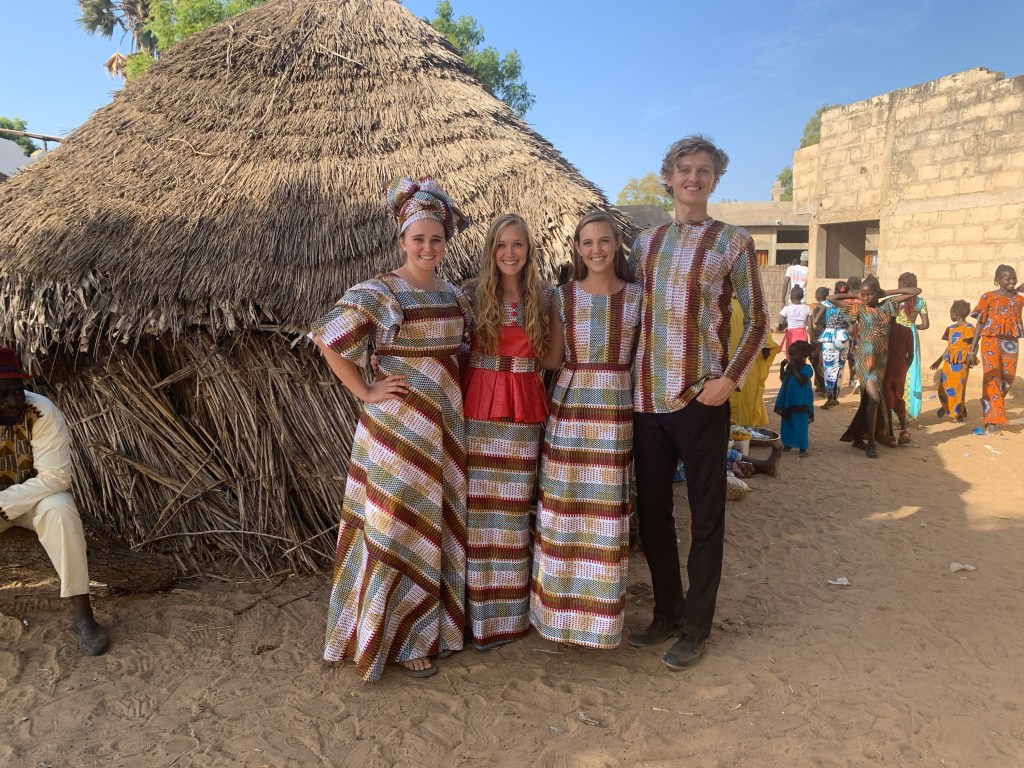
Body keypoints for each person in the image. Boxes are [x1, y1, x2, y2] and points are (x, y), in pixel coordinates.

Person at [313, 176, 471, 680]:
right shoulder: (378, 292)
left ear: (445, 242)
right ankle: (397, 641)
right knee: (395, 525)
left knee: (431, 525)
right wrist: (365, 391)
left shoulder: (454, 294)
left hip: (443, 429)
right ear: (402, 239)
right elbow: (327, 339)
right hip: (396, 431)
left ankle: (430, 630)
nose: (427, 247)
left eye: (435, 239)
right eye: (418, 238)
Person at [629, 134, 769, 671]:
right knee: (654, 513)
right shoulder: (645, 243)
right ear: (668, 177)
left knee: (707, 514)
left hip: (701, 398)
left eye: (703, 170)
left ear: (715, 179)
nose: (693, 178)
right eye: (684, 169)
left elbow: (758, 319)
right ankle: (667, 611)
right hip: (646, 398)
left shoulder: (733, 241)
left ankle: (696, 626)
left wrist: (729, 381)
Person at [530, 211, 641, 649]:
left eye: (603, 241)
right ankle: (557, 617)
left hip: (616, 414)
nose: (596, 250)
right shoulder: (563, 297)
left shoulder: (638, 297)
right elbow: (553, 359)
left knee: (605, 516)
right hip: (571, 410)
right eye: (587, 243)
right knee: (564, 509)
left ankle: (598, 623)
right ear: (578, 249)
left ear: (617, 244)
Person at [461, 214, 550, 649]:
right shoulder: (469, 294)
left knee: (514, 514)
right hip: (479, 403)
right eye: (501, 245)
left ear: (528, 250)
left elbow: (555, 357)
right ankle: (474, 618)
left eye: (517, 245)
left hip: (524, 406)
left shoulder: (545, 296)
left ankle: (508, 619)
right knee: (478, 513)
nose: (509, 253)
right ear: (490, 250)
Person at [0, 349, 110, 655]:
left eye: (17, 390)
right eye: (3, 393)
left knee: (60, 509)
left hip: (34, 498)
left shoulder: (41, 411)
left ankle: (83, 616)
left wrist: (4, 503)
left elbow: (56, 477)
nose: (15, 400)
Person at [830, 276, 921, 458]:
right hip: (864, 361)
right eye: (863, 295)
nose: (865, 298)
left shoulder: (888, 306)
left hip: (881, 362)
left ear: (877, 293)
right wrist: (855, 295)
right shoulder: (859, 309)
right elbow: (831, 298)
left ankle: (858, 437)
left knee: (868, 401)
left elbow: (916, 291)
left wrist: (886, 292)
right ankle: (871, 442)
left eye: (869, 294)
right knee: (874, 399)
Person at [967, 264, 1024, 435]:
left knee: (1008, 379)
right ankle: (991, 421)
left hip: (1011, 343)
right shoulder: (988, 297)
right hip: (990, 341)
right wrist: (972, 350)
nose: (1012, 281)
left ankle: (989, 402)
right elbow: (980, 323)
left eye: (1014, 278)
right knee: (992, 378)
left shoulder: (1019, 298)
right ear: (997, 280)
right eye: (1008, 278)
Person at [728, 297, 779, 427]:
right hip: (747, 363)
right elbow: (767, 343)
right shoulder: (753, 305)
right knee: (746, 394)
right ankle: (743, 428)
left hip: (722, 364)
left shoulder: (718, 302)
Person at [930, 300, 975, 423]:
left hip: (961, 363)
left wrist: (972, 356)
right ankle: (947, 407)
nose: (950, 315)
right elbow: (949, 347)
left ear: (956, 313)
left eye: (950, 312)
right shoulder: (950, 328)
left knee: (958, 389)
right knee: (943, 389)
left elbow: (974, 344)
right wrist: (938, 360)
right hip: (948, 363)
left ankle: (957, 415)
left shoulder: (969, 328)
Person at [894, 272, 929, 422]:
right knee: (912, 372)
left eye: (899, 284)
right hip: (912, 337)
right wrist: (913, 327)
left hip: (896, 337)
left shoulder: (895, 301)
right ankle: (911, 413)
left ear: (903, 286)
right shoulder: (920, 302)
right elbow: (925, 325)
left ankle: (894, 414)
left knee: (895, 372)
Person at [774, 340, 814, 457]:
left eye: (793, 355)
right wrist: (782, 367)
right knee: (787, 422)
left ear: (804, 356)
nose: (790, 357)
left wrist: (794, 369)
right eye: (789, 354)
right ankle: (787, 444)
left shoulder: (807, 368)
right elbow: (784, 379)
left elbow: (802, 381)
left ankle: (803, 448)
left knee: (800, 424)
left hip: (800, 401)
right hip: (788, 400)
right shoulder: (791, 366)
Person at [818, 281, 851, 408]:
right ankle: (835, 397)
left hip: (828, 337)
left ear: (835, 290)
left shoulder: (826, 304)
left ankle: (830, 397)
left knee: (829, 367)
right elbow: (851, 323)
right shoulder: (848, 305)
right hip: (842, 337)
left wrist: (827, 325)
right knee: (840, 367)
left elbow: (816, 320)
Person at [883, 318, 914, 445]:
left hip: (885, 370)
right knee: (899, 398)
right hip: (900, 370)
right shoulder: (907, 331)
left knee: (887, 401)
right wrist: (904, 368)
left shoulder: (882, 331)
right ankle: (904, 430)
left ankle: (890, 435)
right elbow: (911, 355)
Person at [778, 286, 812, 366]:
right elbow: (810, 327)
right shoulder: (807, 308)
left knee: (791, 356)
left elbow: (781, 325)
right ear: (802, 297)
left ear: (790, 297)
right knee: (802, 356)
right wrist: (812, 341)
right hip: (803, 334)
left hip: (791, 335)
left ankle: (792, 372)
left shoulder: (787, 308)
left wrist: (783, 326)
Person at [809, 286, 829, 394]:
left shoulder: (814, 307)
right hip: (827, 336)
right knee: (824, 361)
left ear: (817, 297)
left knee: (816, 361)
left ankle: (821, 386)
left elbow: (811, 324)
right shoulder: (831, 307)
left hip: (817, 336)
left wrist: (811, 339)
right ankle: (822, 385)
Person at [845, 276, 863, 390]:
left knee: (851, 356)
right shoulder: (863, 298)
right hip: (862, 330)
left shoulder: (847, 299)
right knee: (860, 355)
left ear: (849, 286)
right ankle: (859, 378)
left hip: (849, 330)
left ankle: (853, 379)